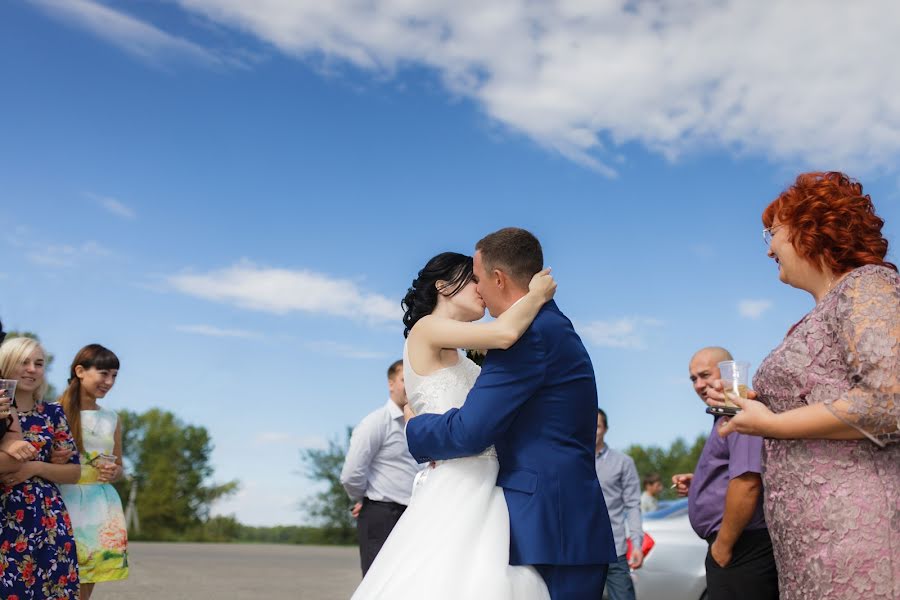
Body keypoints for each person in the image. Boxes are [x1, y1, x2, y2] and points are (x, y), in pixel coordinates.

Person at [712, 172, 899, 600]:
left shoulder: (868, 284)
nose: (768, 248)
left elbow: (891, 400)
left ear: (810, 226)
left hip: (854, 529)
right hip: (806, 543)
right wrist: (762, 409)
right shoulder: (816, 314)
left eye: (772, 232)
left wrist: (773, 426)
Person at [405, 228, 616, 600]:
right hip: (540, 517)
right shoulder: (543, 327)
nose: (479, 289)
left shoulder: (528, 336)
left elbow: (472, 429)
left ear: (498, 278)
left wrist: (416, 430)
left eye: (478, 277)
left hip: (548, 526)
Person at [351, 246, 562, 600]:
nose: (481, 289)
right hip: (459, 481)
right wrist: (536, 294)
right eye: (473, 281)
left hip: (486, 480)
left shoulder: (458, 349)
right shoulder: (426, 329)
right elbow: (504, 335)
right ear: (443, 286)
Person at [672, 347, 778, 600]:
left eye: (705, 375)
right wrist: (701, 483)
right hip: (736, 547)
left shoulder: (739, 412)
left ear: (729, 371)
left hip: (742, 547)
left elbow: (748, 482)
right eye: (693, 379)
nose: (698, 384)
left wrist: (723, 546)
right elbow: (736, 470)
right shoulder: (723, 416)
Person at [0, 336, 81, 599]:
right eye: (23, 362)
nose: (32, 369)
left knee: (49, 590)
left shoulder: (52, 413)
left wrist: (35, 468)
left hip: (47, 517)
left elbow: (74, 472)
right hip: (5, 517)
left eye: (38, 363)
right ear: (5, 364)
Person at [53, 344, 129, 598]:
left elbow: (118, 465)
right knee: (53, 580)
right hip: (59, 503)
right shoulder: (53, 411)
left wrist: (114, 472)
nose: (109, 382)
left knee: (84, 588)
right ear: (80, 371)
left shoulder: (111, 418)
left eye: (114, 376)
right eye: (104, 373)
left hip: (98, 508)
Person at [340, 359, 421, 575]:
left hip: (415, 516)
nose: (410, 385)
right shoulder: (375, 423)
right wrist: (363, 499)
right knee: (378, 583)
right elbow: (351, 474)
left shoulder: (420, 423)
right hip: (383, 517)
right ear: (391, 384)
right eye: (405, 379)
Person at [594, 408, 643, 600]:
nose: (592, 430)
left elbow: (633, 505)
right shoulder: (574, 462)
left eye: (597, 426)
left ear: (605, 429)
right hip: (581, 550)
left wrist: (637, 544)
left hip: (615, 549)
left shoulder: (623, 462)